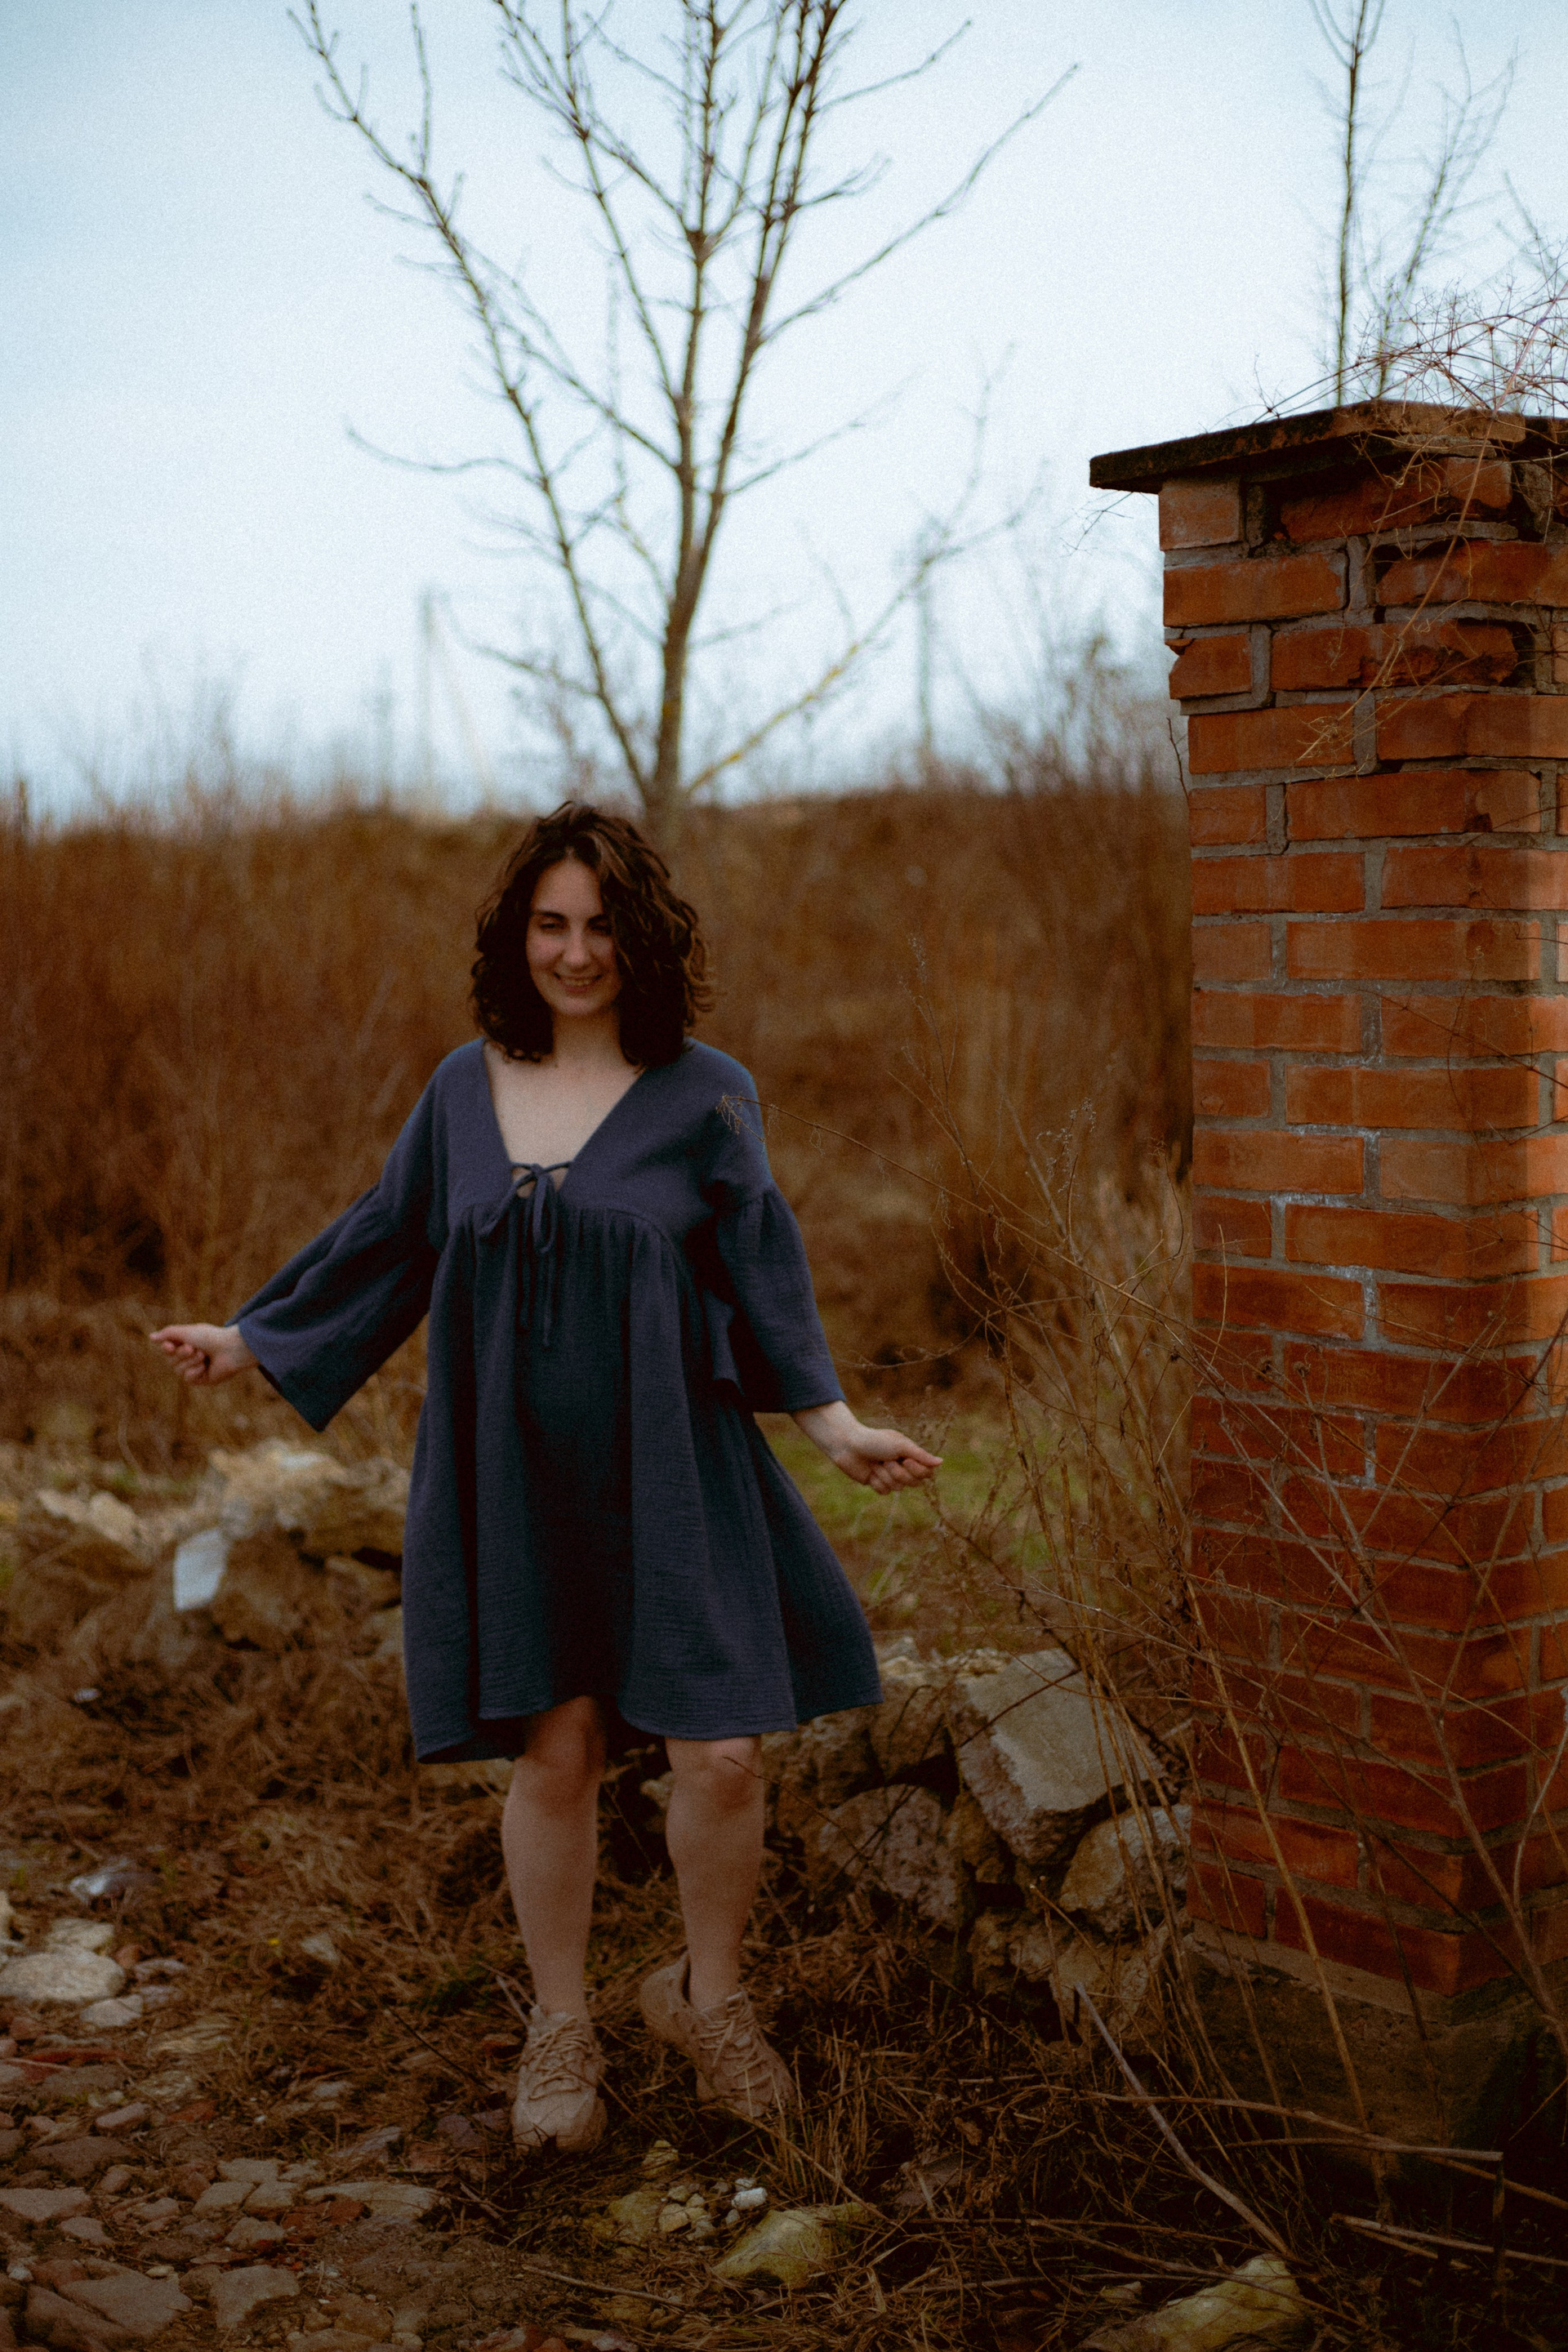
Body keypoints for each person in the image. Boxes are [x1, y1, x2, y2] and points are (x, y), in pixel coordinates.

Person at [153, 800, 938, 2155]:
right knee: (556, 1749)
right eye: (550, 925)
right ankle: (562, 2026)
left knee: (723, 1754)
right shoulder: (464, 1090)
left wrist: (834, 1423)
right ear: (517, 937)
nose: (575, 953)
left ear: (646, 938)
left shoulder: (707, 1093)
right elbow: (388, 1238)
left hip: (674, 1465)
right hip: (512, 1474)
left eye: (601, 927)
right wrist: (255, 1337)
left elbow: (763, 1261)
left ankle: (712, 2002)